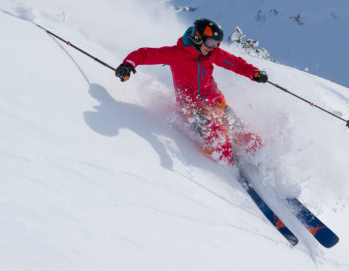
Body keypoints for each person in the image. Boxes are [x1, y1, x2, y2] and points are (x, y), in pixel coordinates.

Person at [115, 18, 269, 166]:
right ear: (198, 37)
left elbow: (235, 63)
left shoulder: (212, 53)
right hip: (193, 108)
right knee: (217, 134)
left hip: (216, 102)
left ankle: (262, 162)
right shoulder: (176, 54)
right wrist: (128, 65)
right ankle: (228, 170)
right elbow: (145, 54)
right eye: (210, 42)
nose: (213, 47)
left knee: (240, 129)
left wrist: (253, 73)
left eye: (217, 44)